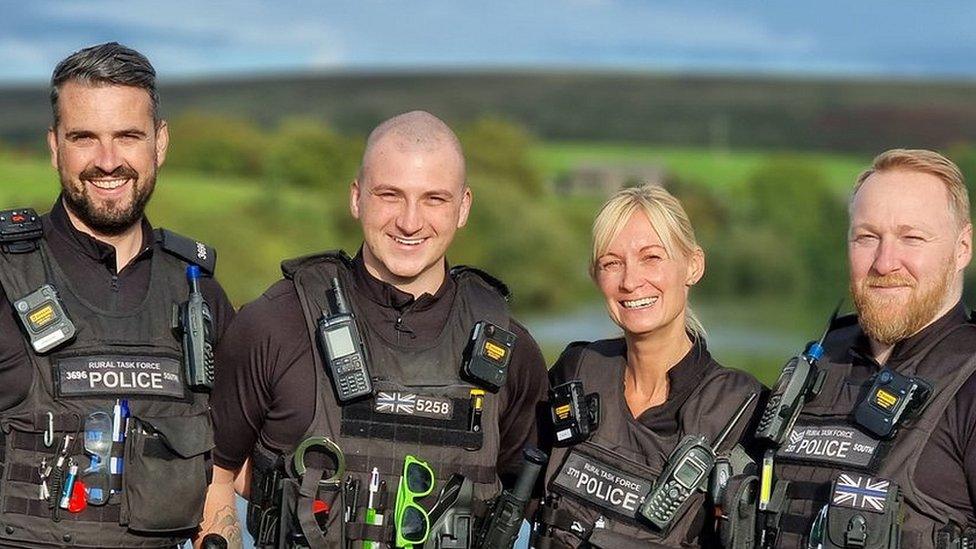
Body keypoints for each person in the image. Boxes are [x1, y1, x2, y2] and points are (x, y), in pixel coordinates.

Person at [201, 110, 549, 547]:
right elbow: (214, 473)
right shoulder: (276, 322)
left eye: (434, 199)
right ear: (356, 197)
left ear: (463, 208)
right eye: (390, 195)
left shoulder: (507, 349)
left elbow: (536, 503)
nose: (409, 221)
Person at [0, 42, 235, 548]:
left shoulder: (202, 293)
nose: (108, 162)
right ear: (54, 146)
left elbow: (228, 480)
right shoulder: (3, 278)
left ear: (160, 142)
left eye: (128, 136)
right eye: (84, 138)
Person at [758, 149, 976, 548]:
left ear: (963, 247)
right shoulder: (814, 369)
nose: (885, 261)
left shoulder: (969, 384)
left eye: (911, 237)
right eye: (867, 237)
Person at [533, 185, 762, 548]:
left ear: (693, 265)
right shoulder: (577, 370)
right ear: (596, 276)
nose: (629, 281)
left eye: (651, 257)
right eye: (612, 263)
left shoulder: (741, 410)